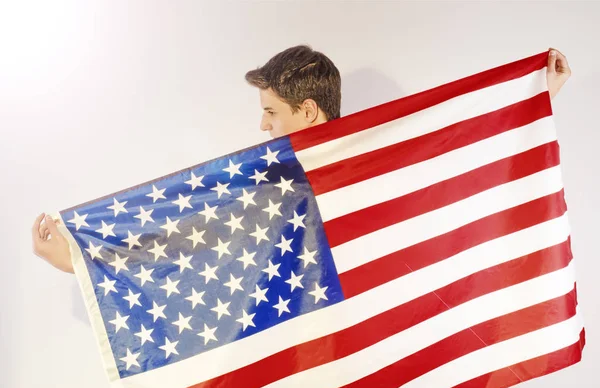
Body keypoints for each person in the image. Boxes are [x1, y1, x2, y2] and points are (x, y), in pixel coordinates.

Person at [31, 45, 571, 273]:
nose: (262, 124)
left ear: (308, 110)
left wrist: (538, 94)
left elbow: (461, 162)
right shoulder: (261, 182)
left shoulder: (380, 163)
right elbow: (187, 240)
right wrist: (78, 258)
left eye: (270, 111)